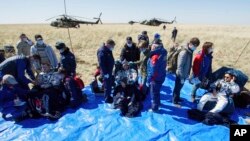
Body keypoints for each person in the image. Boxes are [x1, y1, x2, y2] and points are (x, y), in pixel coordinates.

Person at [172, 37, 200, 107]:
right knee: (177, 88)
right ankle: (175, 101)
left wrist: (187, 74)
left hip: (184, 74)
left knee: (180, 87)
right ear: (191, 44)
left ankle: (177, 98)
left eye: (196, 46)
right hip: (180, 74)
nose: (195, 48)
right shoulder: (184, 52)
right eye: (195, 46)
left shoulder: (189, 51)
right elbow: (180, 66)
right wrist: (181, 77)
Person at [146, 39, 167, 112]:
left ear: (154, 46)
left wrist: (149, 80)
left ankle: (154, 108)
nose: (151, 47)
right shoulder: (163, 53)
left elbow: (153, 70)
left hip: (155, 78)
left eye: (152, 46)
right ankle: (158, 103)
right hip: (161, 75)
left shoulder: (155, 56)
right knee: (157, 91)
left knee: (154, 93)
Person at [97, 39, 115, 103]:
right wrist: (105, 73)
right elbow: (101, 63)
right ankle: (107, 99)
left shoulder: (108, 50)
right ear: (108, 45)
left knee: (109, 84)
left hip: (109, 71)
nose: (113, 48)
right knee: (107, 85)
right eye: (112, 46)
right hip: (106, 72)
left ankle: (109, 96)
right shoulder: (102, 51)